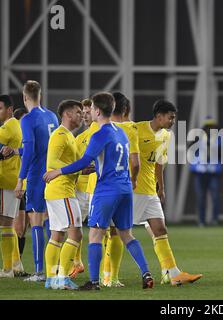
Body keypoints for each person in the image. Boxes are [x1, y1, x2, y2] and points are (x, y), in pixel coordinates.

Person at [44, 92, 153, 290]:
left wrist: (58, 171)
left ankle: (93, 282)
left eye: (92, 108)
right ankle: (146, 273)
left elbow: (85, 160)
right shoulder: (121, 132)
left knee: (95, 235)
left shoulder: (99, 134)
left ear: (98, 111)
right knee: (127, 234)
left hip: (106, 190)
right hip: (125, 188)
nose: (89, 112)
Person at [134, 100, 203, 286]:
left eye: (174, 117)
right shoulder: (136, 129)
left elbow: (159, 163)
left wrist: (161, 187)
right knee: (115, 232)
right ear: (158, 116)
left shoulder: (167, 135)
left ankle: (172, 273)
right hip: (133, 190)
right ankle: (107, 275)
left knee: (160, 229)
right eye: (170, 117)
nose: (173, 120)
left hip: (149, 191)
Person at [14, 80, 59, 282]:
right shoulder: (52, 116)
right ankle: (55, 267)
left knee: (36, 223)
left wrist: (20, 180)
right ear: (40, 95)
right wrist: (18, 150)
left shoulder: (27, 119)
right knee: (51, 221)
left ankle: (40, 271)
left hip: (36, 177)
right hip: (53, 176)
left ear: (25, 97)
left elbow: (32, 151)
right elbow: (47, 146)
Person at [99, 92, 141, 287]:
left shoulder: (97, 127)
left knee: (98, 233)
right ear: (125, 110)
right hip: (119, 186)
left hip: (97, 186)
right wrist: (133, 180)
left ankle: (99, 276)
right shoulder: (130, 129)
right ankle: (111, 277)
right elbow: (135, 162)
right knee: (118, 233)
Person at [43, 100, 85, 290]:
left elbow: (67, 164)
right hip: (62, 190)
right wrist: (74, 171)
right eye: (78, 112)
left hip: (57, 191)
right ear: (67, 114)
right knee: (75, 233)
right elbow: (53, 162)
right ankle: (62, 278)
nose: (81, 115)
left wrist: (82, 170)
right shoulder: (61, 135)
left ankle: (51, 279)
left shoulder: (67, 136)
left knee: (57, 236)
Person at [0, 95, 24, 278]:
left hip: (6, 180)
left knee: (5, 224)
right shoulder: (18, 125)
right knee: (9, 223)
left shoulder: (4, 130)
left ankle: (7, 269)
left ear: (9, 109)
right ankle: (16, 265)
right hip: (17, 179)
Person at [69, 98, 93, 278]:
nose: (85, 116)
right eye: (82, 112)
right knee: (75, 227)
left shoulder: (103, 133)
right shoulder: (80, 138)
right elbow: (74, 164)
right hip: (81, 189)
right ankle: (77, 263)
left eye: (87, 112)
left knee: (105, 230)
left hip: (99, 189)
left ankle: (107, 272)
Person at [189, 117, 222, 227]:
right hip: (200, 171)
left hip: (213, 171)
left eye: (212, 127)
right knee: (200, 197)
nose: (210, 129)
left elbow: (222, 153)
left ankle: (215, 220)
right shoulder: (198, 138)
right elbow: (191, 151)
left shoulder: (218, 139)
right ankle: (201, 221)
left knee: (215, 197)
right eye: (208, 127)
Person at [13, 107, 30, 262]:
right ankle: (13, 263)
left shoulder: (28, 137)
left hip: (27, 184)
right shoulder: (15, 137)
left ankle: (18, 263)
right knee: (18, 227)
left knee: (24, 228)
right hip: (16, 184)